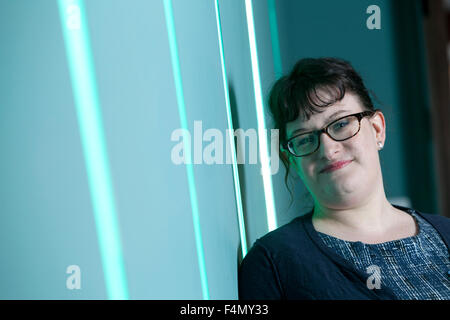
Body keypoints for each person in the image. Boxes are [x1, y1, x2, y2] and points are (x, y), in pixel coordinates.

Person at [238, 57, 450, 300]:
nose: (327, 150)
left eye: (340, 124)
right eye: (305, 139)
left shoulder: (446, 233)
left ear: (377, 129)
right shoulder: (273, 263)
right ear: (292, 160)